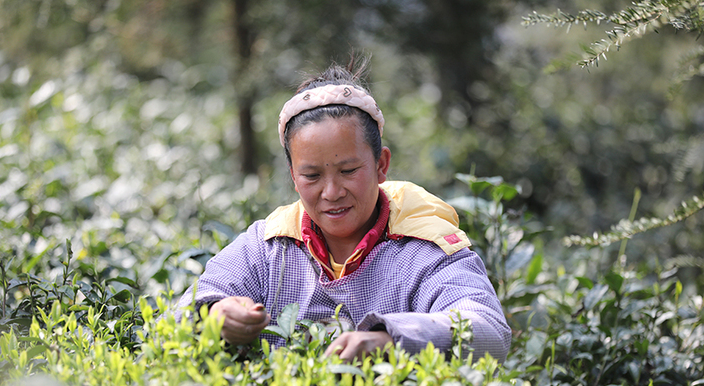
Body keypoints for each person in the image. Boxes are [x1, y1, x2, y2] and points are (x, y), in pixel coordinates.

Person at [176, 58, 511, 363]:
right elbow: (175, 316)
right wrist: (216, 314)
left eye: (349, 171)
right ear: (293, 176)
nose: (332, 192)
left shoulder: (427, 247)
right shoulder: (267, 247)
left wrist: (389, 340)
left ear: (382, 165)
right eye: (311, 176)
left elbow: (489, 332)